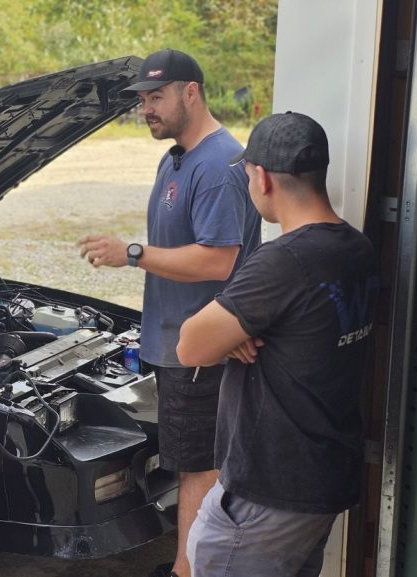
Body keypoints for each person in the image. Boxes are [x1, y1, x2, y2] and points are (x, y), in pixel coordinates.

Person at [77, 49, 260, 577]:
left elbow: (218, 258)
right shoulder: (177, 156)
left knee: (199, 468)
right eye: (142, 100)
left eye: (156, 97)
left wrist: (132, 254)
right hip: (177, 344)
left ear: (191, 92)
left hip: (199, 351)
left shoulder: (218, 165)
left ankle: (187, 570)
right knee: (192, 463)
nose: (147, 109)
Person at [177, 112, 378, 577]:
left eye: (248, 176)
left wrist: (228, 334)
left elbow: (191, 346)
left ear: (262, 178)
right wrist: (234, 335)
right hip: (321, 479)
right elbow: (302, 333)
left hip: (267, 490)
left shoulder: (284, 260)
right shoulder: (356, 248)